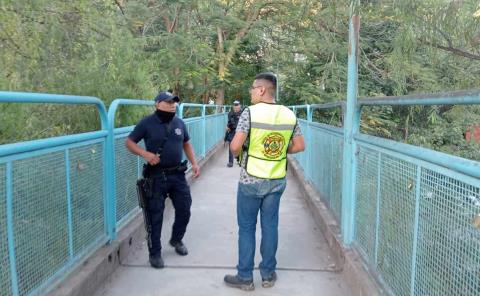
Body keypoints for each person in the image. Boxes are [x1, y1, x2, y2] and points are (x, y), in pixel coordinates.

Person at [223, 73, 305, 291]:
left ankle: (245, 277)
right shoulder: (289, 114)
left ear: (261, 90)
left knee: (247, 228)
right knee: (270, 226)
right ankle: (268, 275)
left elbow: (234, 147)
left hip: (251, 179)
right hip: (276, 179)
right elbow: (299, 146)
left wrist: (249, 150)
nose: (250, 92)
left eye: (252, 88)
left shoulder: (250, 113)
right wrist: (276, 151)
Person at [125, 91, 200, 269]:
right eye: (168, 102)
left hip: (178, 176)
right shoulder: (147, 123)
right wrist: (145, 154)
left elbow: (186, 143)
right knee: (155, 216)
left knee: (185, 209)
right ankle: (155, 253)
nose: (173, 105)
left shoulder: (179, 123)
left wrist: (194, 163)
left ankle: (176, 239)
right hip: (156, 177)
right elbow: (129, 142)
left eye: (174, 102)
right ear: (158, 104)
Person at [225, 100, 242, 167]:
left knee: (240, 146)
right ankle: (230, 162)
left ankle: (239, 160)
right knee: (231, 146)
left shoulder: (242, 113)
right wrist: (227, 127)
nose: (236, 107)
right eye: (235, 106)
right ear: (233, 106)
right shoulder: (230, 113)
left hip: (239, 132)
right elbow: (229, 122)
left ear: (240, 106)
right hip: (232, 131)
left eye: (237, 105)